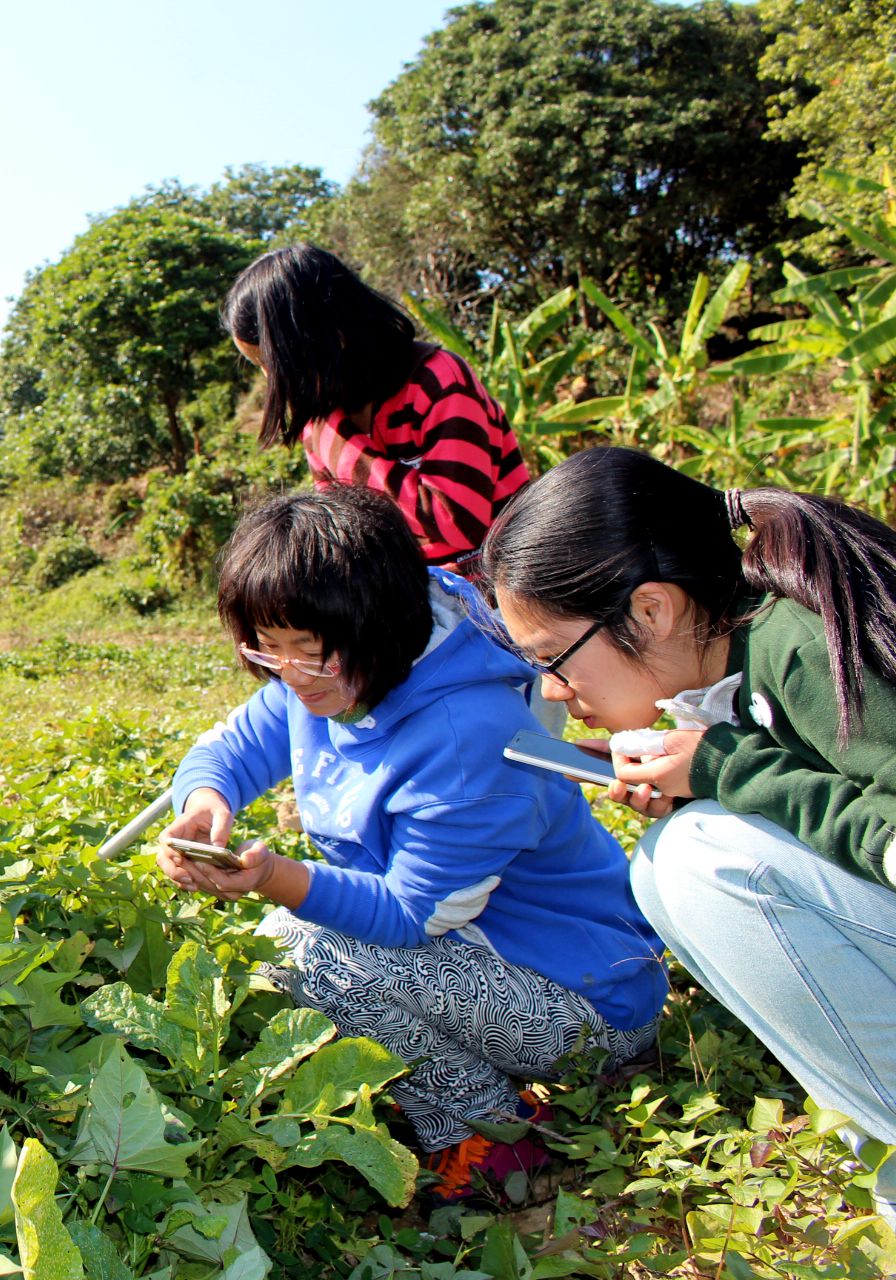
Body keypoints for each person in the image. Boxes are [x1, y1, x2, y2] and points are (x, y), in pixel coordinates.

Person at [158, 486, 666, 1204]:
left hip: (582, 997)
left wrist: (274, 875)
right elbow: (230, 751)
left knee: (302, 947)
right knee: (296, 941)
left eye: (308, 653)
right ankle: (461, 1091)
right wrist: (204, 804)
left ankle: (490, 1137)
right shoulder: (323, 666)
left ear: (378, 625)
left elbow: (411, 914)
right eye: (269, 652)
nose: (291, 676)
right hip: (476, 959)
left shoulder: (466, 731)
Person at [481, 445, 896, 1223]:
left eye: (555, 659)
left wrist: (730, 773)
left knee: (697, 861)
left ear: (651, 610)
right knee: (681, 852)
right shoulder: (738, 659)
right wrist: (709, 785)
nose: (553, 691)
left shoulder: (802, 649)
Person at [221, 244, 529, 568]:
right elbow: (343, 534)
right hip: (411, 600)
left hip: (502, 590)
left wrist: (342, 440)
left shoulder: (435, 381)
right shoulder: (317, 424)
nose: (270, 379)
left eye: (270, 362)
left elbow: (458, 522)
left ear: (325, 337)